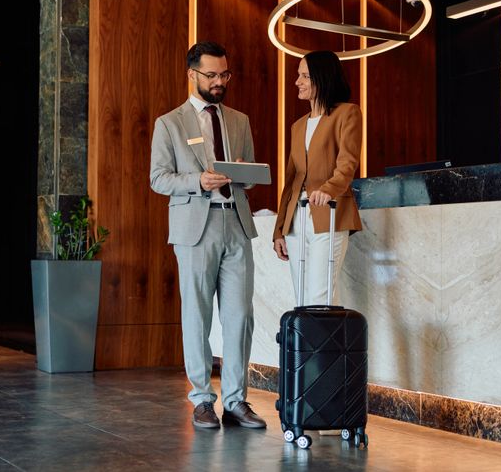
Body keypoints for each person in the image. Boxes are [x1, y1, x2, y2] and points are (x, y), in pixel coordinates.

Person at [150, 41, 266, 430]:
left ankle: (236, 401)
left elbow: (246, 172)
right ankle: (201, 400)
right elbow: (158, 179)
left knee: (240, 317)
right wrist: (198, 181)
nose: (219, 82)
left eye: (224, 75)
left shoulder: (239, 120)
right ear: (192, 75)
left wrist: (247, 177)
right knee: (197, 315)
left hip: (236, 222)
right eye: (211, 75)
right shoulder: (169, 123)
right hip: (194, 228)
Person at [273, 50, 363, 307]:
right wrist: (279, 229)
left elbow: (347, 163)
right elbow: (291, 180)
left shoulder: (347, 113)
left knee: (319, 296)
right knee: (302, 298)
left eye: (304, 76)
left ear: (321, 79)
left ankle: (322, 348)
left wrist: (329, 189)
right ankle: (312, 348)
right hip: (296, 216)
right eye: (298, 75)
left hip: (329, 212)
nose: (297, 82)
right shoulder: (298, 125)